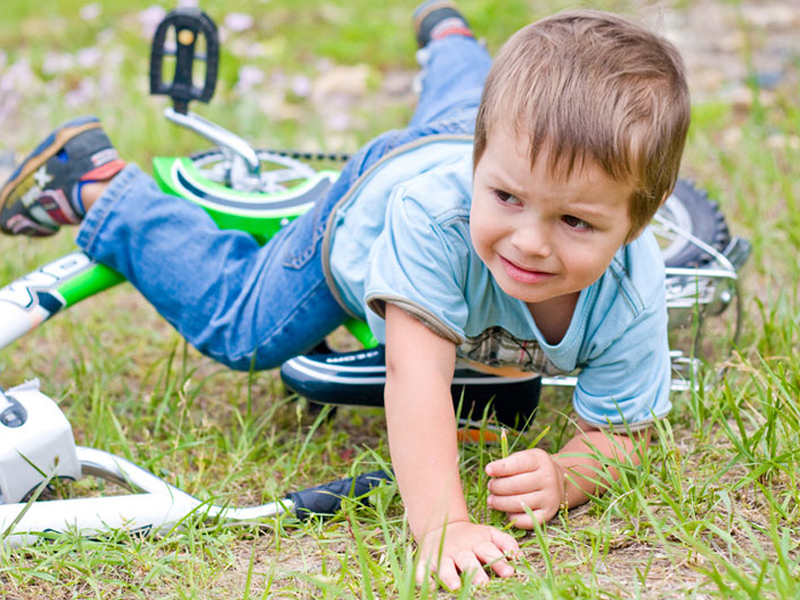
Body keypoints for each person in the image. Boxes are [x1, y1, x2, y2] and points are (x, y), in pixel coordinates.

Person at [0, 0, 690, 589]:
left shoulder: (630, 286)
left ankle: (450, 39)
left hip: (468, 138)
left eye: (574, 221)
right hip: (370, 206)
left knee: (462, 111)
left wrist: (567, 474)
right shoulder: (431, 221)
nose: (529, 242)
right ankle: (105, 187)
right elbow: (415, 381)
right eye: (507, 199)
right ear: (482, 168)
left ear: (640, 221)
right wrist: (443, 525)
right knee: (242, 325)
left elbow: (622, 436)